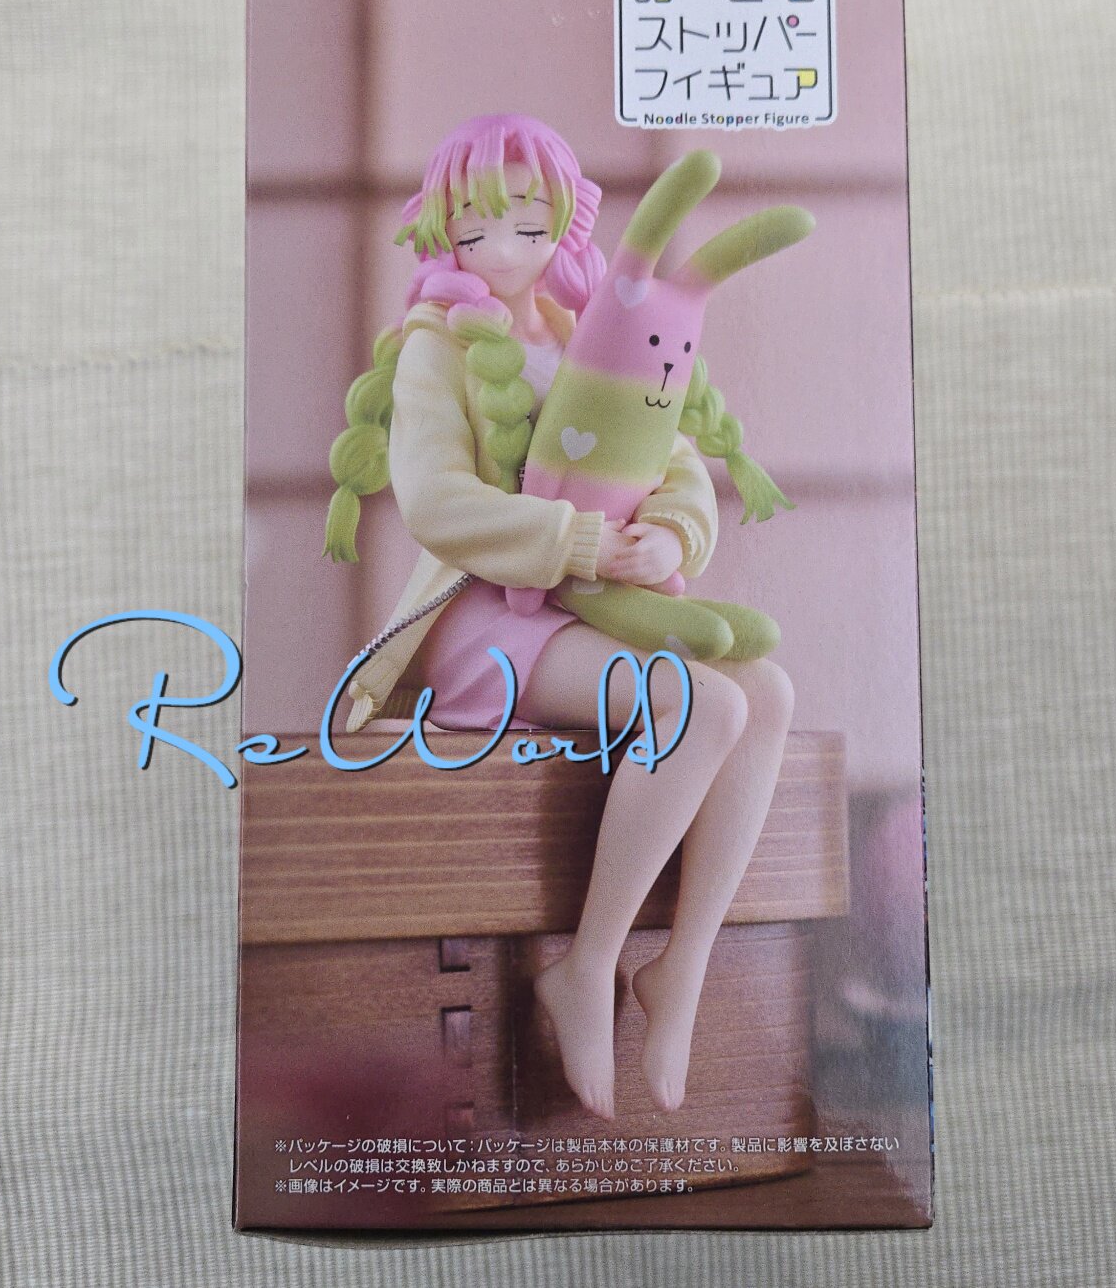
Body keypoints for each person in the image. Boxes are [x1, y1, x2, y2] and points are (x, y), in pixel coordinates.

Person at [326, 114, 797, 1118]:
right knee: (702, 705)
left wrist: (670, 535)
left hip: (593, 602)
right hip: (478, 619)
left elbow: (671, 458)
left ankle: (682, 966)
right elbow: (435, 502)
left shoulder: (592, 321)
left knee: (766, 691)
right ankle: (587, 965)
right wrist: (576, 541)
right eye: (477, 227)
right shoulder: (436, 345)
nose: (503, 249)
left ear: (567, 221)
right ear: (443, 229)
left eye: (528, 224)